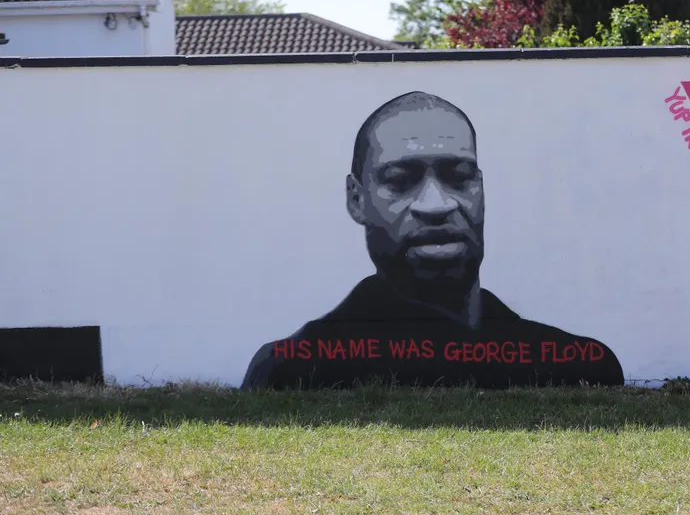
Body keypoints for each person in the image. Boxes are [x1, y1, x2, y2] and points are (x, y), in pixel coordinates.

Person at [241, 90, 624, 390]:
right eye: (400, 181)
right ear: (357, 200)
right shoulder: (292, 367)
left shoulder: (578, 364)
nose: (436, 205)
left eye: (459, 176)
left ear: (481, 188)